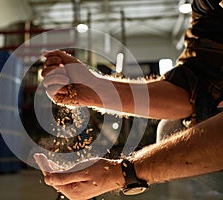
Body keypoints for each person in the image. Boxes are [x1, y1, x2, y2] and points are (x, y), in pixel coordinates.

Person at [39, 0, 223, 199]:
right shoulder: (207, 6)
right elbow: (195, 88)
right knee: (171, 129)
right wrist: (97, 90)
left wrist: (123, 173)